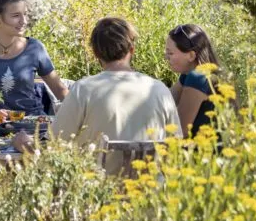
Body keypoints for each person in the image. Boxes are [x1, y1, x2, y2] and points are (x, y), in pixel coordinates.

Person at [46, 17, 180, 146]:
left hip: (95, 169)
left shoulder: (83, 90)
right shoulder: (159, 90)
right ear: (132, 50)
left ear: (95, 53)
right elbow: (176, 144)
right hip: (149, 169)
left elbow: (55, 143)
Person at [165, 24, 220, 137]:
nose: (166, 57)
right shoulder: (188, 76)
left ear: (191, 55)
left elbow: (179, 131)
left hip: (204, 153)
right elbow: (165, 101)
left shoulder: (197, 77)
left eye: (170, 53)